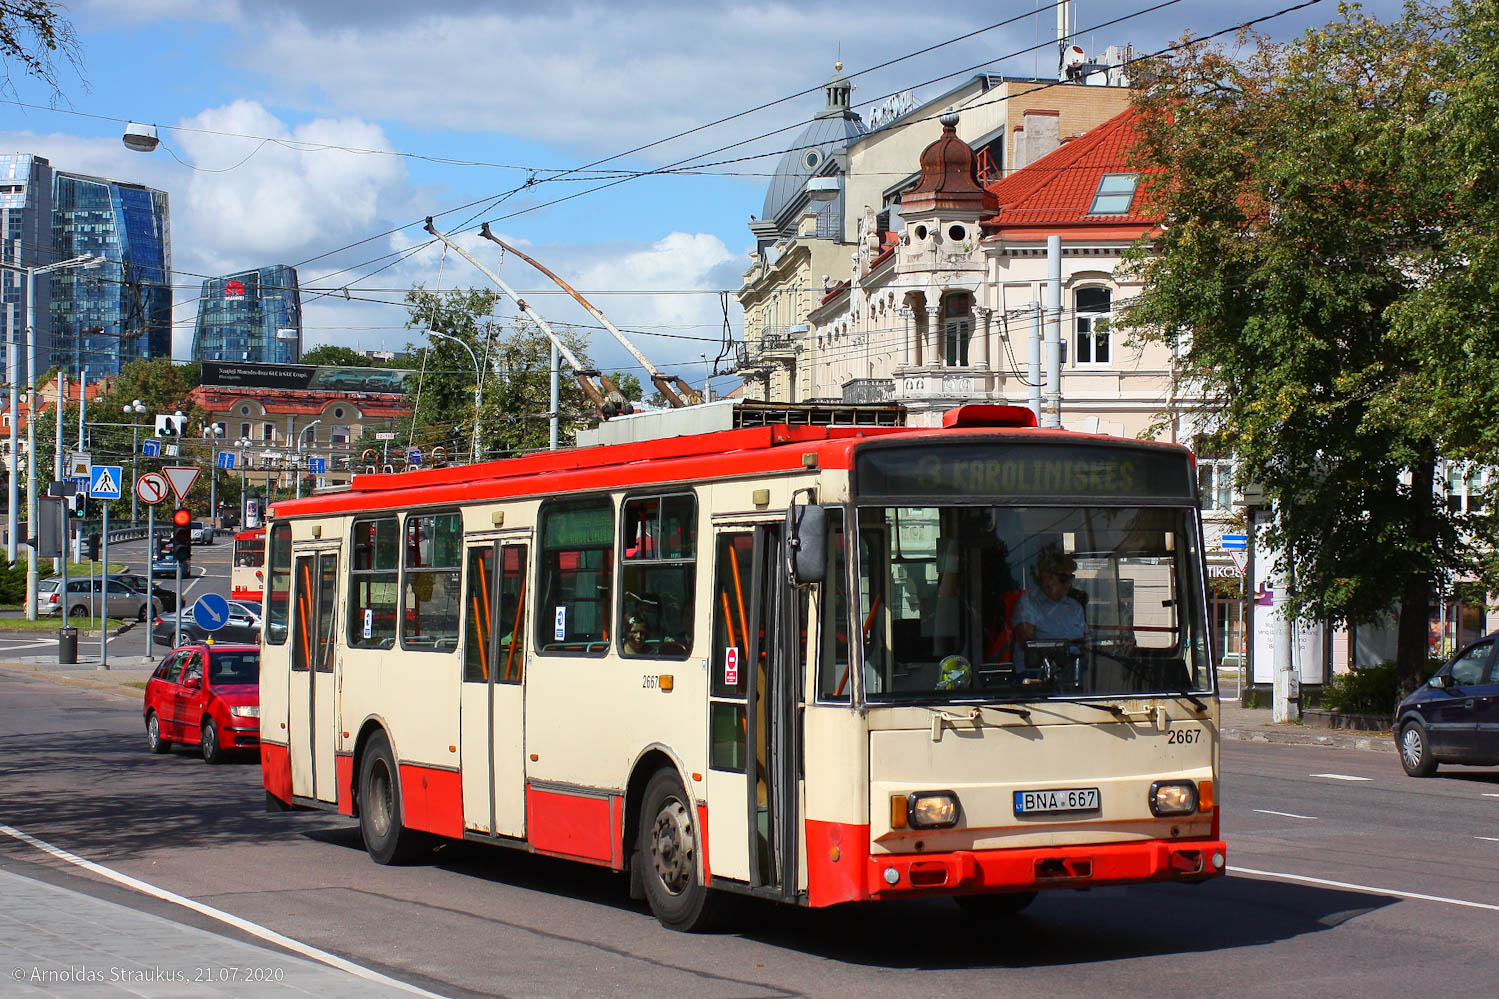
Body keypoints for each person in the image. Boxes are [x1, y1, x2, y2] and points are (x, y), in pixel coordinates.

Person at [1012, 546, 1086, 674]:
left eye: (1071, 578)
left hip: (1072, 672)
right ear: (1046, 577)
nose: (1068, 584)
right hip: (1036, 675)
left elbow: (1085, 642)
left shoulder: (1075, 607)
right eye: (1063, 579)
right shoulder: (1028, 604)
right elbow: (1028, 645)